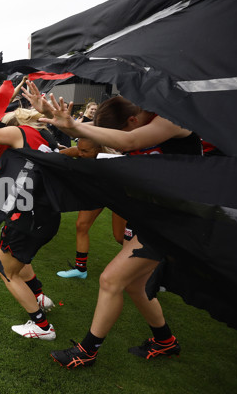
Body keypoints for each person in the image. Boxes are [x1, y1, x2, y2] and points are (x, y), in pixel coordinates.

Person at [23, 81, 201, 368]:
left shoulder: (172, 119)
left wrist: (75, 126)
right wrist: (63, 124)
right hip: (156, 216)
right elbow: (107, 141)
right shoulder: (134, 123)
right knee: (135, 286)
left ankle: (87, 351)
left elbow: (128, 142)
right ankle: (165, 341)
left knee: (110, 280)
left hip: (177, 219)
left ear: (132, 120)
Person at [0, 88, 60, 340]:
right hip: (46, 215)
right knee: (19, 258)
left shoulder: (22, 132)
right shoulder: (47, 139)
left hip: (26, 217)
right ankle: (39, 295)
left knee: (6, 270)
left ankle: (41, 326)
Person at [56, 138, 126, 279]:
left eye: (85, 151)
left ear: (98, 150)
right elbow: (56, 156)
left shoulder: (115, 161)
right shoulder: (78, 151)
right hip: (98, 195)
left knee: (120, 237)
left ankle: (150, 264)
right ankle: (81, 269)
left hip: (119, 196)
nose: (80, 153)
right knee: (81, 225)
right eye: (79, 149)